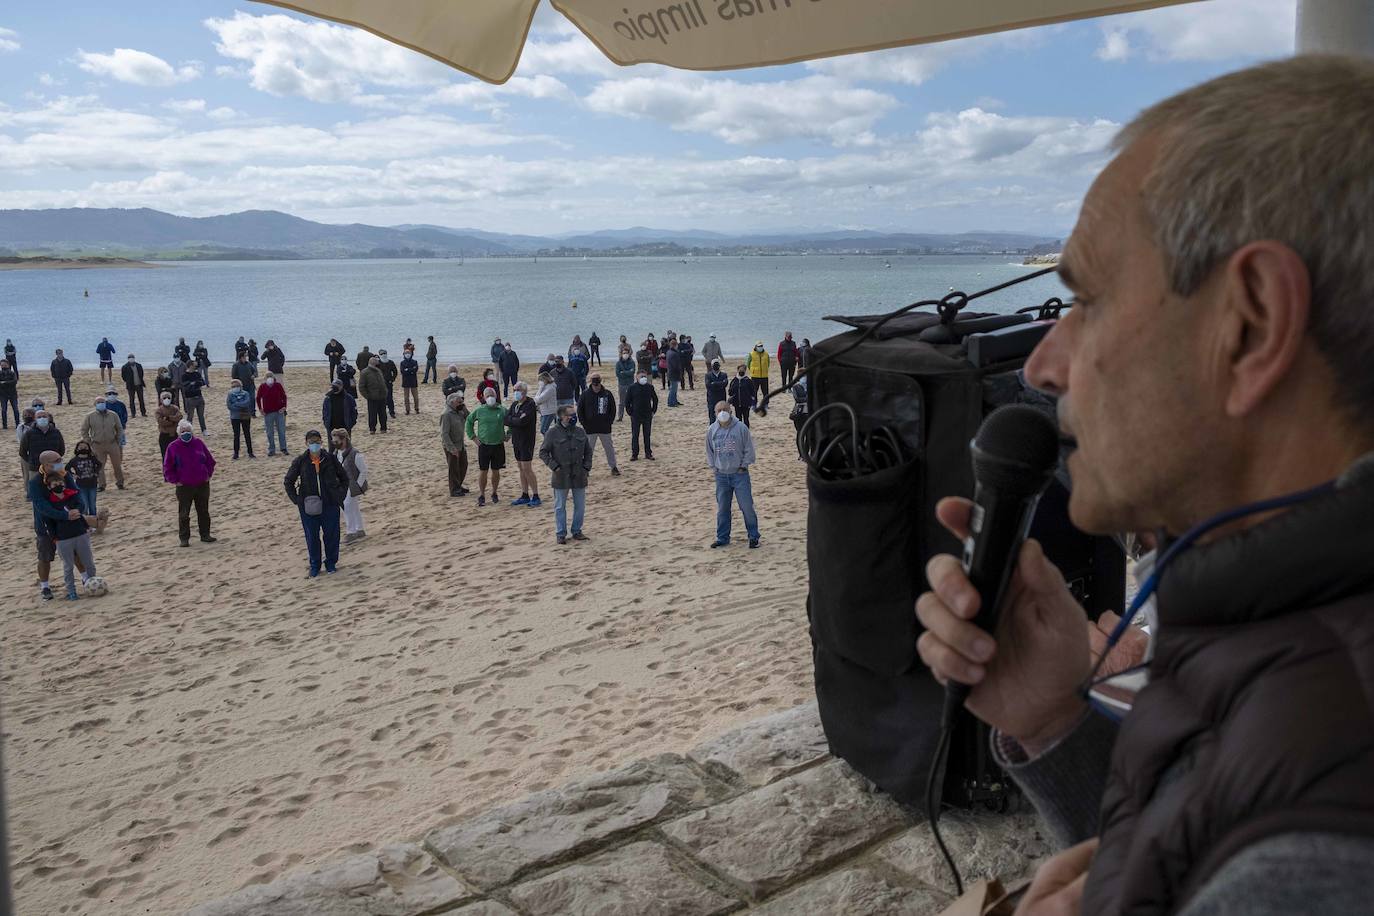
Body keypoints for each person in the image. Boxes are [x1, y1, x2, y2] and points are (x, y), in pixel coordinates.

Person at [916, 57, 1374, 916]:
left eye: (1085, 299)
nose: (1045, 366)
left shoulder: (1322, 847)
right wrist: (1054, 721)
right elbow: (1196, 850)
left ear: (1251, 325)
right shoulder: (1282, 621)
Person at [284, 429, 348, 577]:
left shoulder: (330, 459)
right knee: (312, 536)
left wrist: (340, 494)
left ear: (321, 442)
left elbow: (344, 478)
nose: (315, 445)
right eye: (312, 442)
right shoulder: (300, 461)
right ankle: (315, 565)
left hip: (330, 503)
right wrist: (298, 500)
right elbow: (288, 482)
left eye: (317, 442)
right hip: (309, 506)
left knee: (332, 535)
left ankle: (331, 562)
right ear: (306, 443)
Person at [41, 467, 101, 601]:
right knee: (68, 567)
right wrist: (55, 537)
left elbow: (81, 506)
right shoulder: (49, 503)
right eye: (55, 484)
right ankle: (71, 591)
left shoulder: (72, 494)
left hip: (80, 533)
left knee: (89, 563)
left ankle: (92, 585)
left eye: (60, 483)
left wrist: (78, 515)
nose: (59, 486)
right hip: (63, 539)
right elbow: (49, 522)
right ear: (49, 487)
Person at [706, 401, 760, 549]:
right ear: (715, 413)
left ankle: (753, 536)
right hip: (721, 476)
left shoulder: (741, 428)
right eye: (719, 410)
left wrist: (743, 466)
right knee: (723, 508)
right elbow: (709, 451)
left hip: (739, 475)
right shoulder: (712, 430)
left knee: (747, 507)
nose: (722, 412)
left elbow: (749, 449)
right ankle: (722, 537)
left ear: (731, 411)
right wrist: (714, 467)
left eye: (725, 409)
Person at [539, 405, 593, 544]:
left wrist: (586, 468)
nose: (573, 417)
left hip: (579, 474)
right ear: (562, 416)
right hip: (561, 475)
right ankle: (561, 533)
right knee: (560, 506)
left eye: (573, 414)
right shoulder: (552, 433)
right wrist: (554, 467)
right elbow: (543, 452)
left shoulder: (580, 432)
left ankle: (577, 531)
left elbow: (588, 451)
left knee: (580, 506)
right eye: (570, 415)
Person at [162, 419, 217, 547]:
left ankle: (205, 535)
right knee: (184, 513)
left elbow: (210, 461)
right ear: (179, 433)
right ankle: (184, 538)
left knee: (203, 511)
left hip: (202, 484)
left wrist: (208, 475)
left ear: (192, 432)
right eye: (182, 431)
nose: (185, 433)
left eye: (187, 431)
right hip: (184, 486)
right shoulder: (173, 447)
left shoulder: (198, 443)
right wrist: (176, 480)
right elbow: (167, 467)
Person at [28, 450, 72, 600]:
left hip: (67, 522)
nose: (60, 462)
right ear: (46, 465)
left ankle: (86, 579)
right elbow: (42, 507)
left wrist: (74, 512)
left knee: (75, 553)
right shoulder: (35, 482)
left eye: (60, 459)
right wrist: (64, 515)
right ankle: (45, 587)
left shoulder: (63, 474)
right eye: (57, 460)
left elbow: (74, 491)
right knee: (45, 556)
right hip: (45, 525)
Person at [465, 389, 508, 506]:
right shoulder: (479, 410)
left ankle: (494, 492)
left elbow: (512, 421)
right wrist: (473, 437)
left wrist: (508, 434)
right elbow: (468, 422)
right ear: (484, 398)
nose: (490, 397)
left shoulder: (502, 409)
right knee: (483, 471)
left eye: (492, 395)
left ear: (496, 395)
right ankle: (482, 494)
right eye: (487, 395)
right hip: (484, 445)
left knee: (496, 470)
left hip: (498, 445)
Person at [504, 381, 541, 505]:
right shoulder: (515, 404)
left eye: (518, 390)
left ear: (524, 391)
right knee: (521, 468)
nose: (515, 392)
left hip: (527, 440)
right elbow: (506, 419)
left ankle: (536, 495)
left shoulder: (530, 404)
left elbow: (522, 422)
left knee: (527, 468)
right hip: (516, 440)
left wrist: (513, 420)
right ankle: (525, 494)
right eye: (514, 389)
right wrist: (515, 420)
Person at [577, 373, 620, 477]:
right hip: (590, 428)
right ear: (591, 383)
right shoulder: (585, 394)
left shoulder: (607, 394)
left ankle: (613, 467)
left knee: (609, 448)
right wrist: (584, 424)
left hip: (605, 427)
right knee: (588, 450)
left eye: (598, 384)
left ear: (600, 382)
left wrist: (609, 422)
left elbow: (612, 409)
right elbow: (580, 410)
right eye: (594, 384)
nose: (596, 387)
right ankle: (586, 469)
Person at [81, 396, 125, 491]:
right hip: (97, 444)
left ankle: (120, 483)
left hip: (112, 443)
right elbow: (84, 430)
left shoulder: (113, 415)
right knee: (99, 466)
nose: (101, 404)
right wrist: (89, 442)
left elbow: (119, 428)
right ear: (95, 404)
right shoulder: (90, 416)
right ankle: (101, 485)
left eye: (103, 402)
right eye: (98, 402)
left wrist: (118, 439)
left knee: (117, 465)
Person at [332, 428, 368, 542]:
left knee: (347, 506)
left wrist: (358, 485)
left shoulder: (355, 454)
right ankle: (360, 529)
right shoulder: (336, 453)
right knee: (353, 507)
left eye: (337, 441)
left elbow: (364, 471)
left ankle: (351, 531)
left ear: (344, 440)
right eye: (334, 441)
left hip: (352, 486)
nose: (335, 444)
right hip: (342, 485)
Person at [439, 392, 470, 497]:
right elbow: (444, 434)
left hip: (460, 443)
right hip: (451, 445)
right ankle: (454, 489)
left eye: (462, 401)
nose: (461, 403)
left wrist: (463, 407)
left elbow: (469, 417)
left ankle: (458, 485)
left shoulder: (459, 411)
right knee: (453, 468)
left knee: (463, 465)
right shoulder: (446, 414)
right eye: (459, 402)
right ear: (452, 402)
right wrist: (451, 448)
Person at [624, 372, 658, 461]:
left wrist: (653, 411)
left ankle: (648, 453)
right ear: (637, 377)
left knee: (647, 435)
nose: (643, 378)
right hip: (636, 415)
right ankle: (634, 454)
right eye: (641, 376)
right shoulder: (632, 388)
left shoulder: (649, 387)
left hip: (647, 414)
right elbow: (627, 401)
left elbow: (655, 399)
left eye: (644, 376)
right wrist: (630, 412)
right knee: (635, 435)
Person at [257, 372, 288, 457]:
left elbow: (284, 396)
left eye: (271, 376)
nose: (270, 378)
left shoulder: (278, 385)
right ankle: (271, 449)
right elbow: (258, 398)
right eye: (268, 377)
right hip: (268, 413)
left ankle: (283, 448)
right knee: (269, 432)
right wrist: (260, 409)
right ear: (265, 378)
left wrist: (284, 406)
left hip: (279, 411)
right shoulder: (262, 387)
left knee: (281, 431)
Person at [68, 440, 101, 516]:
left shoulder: (92, 458)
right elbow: (67, 468)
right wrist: (73, 475)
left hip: (93, 484)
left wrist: (96, 472)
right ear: (77, 449)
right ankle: (85, 522)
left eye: (85, 447)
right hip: (80, 485)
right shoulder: (74, 460)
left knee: (92, 504)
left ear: (89, 448)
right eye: (81, 447)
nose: (83, 448)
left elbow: (99, 464)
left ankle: (93, 520)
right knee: (84, 505)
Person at [226, 379, 256, 459]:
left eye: (237, 386)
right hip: (235, 417)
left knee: (247, 434)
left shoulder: (246, 393)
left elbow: (246, 403)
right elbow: (229, 405)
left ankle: (250, 452)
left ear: (240, 386)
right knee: (236, 435)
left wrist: (236, 404)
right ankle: (236, 453)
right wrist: (239, 406)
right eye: (233, 386)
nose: (235, 387)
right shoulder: (230, 394)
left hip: (245, 415)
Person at [358, 356, 389, 434]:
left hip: (382, 396)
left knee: (383, 414)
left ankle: (383, 428)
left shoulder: (378, 371)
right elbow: (361, 387)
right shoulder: (365, 372)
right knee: (372, 415)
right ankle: (372, 429)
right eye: (376, 361)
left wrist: (385, 392)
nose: (378, 361)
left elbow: (382, 382)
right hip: (372, 397)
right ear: (372, 362)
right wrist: (368, 396)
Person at [155, 391, 183, 458]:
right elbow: (161, 422)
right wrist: (173, 421)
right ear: (161, 400)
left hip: (174, 435)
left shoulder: (175, 408)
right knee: (165, 456)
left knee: (177, 455)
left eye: (168, 397)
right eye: (164, 398)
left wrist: (168, 418)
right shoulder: (159, 410)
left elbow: (179, 417)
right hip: (164, 435)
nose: (167, 399)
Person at [181, 359, 208, 432]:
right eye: (194, 365)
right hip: (190, 398)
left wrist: (194, 383)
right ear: (190, 366)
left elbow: (202, 382)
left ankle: (204, 430)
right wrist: (194, 384)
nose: (195, 366)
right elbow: (187, 387)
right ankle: (188, 431)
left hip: (199, 397)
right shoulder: (184, 375)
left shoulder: (197, 374)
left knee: (201, 416)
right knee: (190, 416)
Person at [789, 373, 810, 456]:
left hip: (808, 412)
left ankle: (806, 453)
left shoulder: (810, 386)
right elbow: (797, 399)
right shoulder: (796, 386)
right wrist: (807, 399)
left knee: (808, 434)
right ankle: (801, 454)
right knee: (800, 433)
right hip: (799, 412)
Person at [614, 346, 636, 422]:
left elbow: (632, 372)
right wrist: (627, 372)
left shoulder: (632, 362)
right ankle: (620, 416)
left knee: (633, 401)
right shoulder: (618, 363)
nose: (625, 354)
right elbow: (618, 374)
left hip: (631, 384)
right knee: (621, 402)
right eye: (624, 353)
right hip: (622, 384)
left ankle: (633, 415)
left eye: (626, 353)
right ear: (621, 354)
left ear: (629, 354)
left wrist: (623, 372)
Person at [747, 341, 770, 410]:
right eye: (759, 346)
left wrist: (765, 370)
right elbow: (748, 364)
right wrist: (753, 370)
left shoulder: (766, 354)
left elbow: (768, 363)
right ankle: (754, 404)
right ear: (756, 346)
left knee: (765, 391)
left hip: (764, 376)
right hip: (755, 376)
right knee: (754, 391)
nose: (760, 347)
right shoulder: (751, 354)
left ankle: (766, 404)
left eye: (761, 346)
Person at [377, 349, 399, 418]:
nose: (383, 355)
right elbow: (375, 373)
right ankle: (382, 412)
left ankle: (392, 412)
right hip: (380, 384)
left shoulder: (390, 362)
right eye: (381, 354)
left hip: (389, 383)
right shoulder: (378, 363)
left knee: (389, 398)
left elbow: (395, 372)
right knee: (381, 398)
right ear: (379, 355)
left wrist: (392, 379)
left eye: (384, 353)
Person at [399, 348, 420, 414]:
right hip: (405, 382)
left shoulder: (414, 362)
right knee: (406, 398)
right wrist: (411, 370)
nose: (407, 354)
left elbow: (415, 370)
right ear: (404, 354)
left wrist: (407, 370)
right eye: (406, 353)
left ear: (411, 354)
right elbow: (402, 371)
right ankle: (407, 410)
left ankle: (416, 408)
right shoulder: (402, 363)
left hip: (413, 381)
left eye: (409, 353)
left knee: (416, 397)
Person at [0, 357, 17, 429]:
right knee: (4, 410)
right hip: (3, 394)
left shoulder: (12, 373)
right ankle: (4, 425)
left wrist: (4, 382)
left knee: (15, 409)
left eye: (4, 364)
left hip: (12, 394)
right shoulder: (0, 373)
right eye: (2, 365)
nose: (3, 366)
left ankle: (17, 423)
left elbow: (14, 382)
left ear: (8, 365)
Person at [665, 342, 683, 407]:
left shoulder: (669, 352)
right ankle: (670, 402)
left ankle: (674, 401)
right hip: (673, 373)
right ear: (674, 346)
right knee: (673, 388)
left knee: (674, 388)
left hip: (670, 372)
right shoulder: (673, 354)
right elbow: (675, 365)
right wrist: (679, 371)